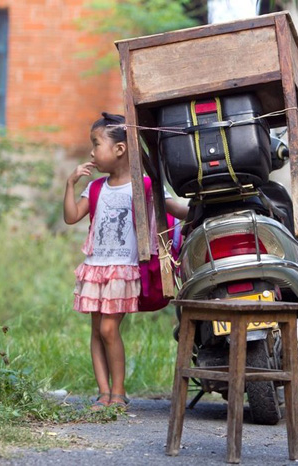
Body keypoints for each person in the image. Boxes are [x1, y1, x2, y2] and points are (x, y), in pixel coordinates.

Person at [63, 112, 188, 410]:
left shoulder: (144, 186)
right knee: (96, 331)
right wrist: (70, 183)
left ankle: (118, 393)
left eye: (97, 143)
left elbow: (177, 210)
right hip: (96, 267)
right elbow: (70, 217)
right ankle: (104, 393)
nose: (92, 151)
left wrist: (202, 208)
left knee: (108, 329)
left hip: (124, 269)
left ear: (120, 149)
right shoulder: (95, 188)